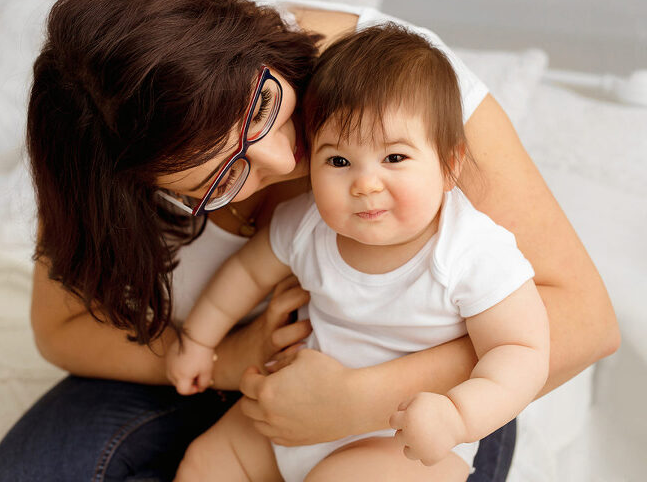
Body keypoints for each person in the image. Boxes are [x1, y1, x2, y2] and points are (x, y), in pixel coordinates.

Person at [0, 0, 619, 482]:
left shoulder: (389, 87)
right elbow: (61, 329)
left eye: (262, 107)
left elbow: (585, 322)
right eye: (218, 177)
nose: (288, 161)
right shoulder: (104, 122)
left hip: (419, 395)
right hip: (229, 375)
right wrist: (228, 358)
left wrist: (357, 400)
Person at [165, 24, 550, 482]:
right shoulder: (306, 223)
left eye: (394, 158)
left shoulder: (471, 251)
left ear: (449, 165)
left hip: (399, 439)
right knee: (206, 462)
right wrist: (199, 342)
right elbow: (245, 276)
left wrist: (458, 415)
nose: (365, 184)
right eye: (339, 161)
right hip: (294, 414)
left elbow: (521, 350)